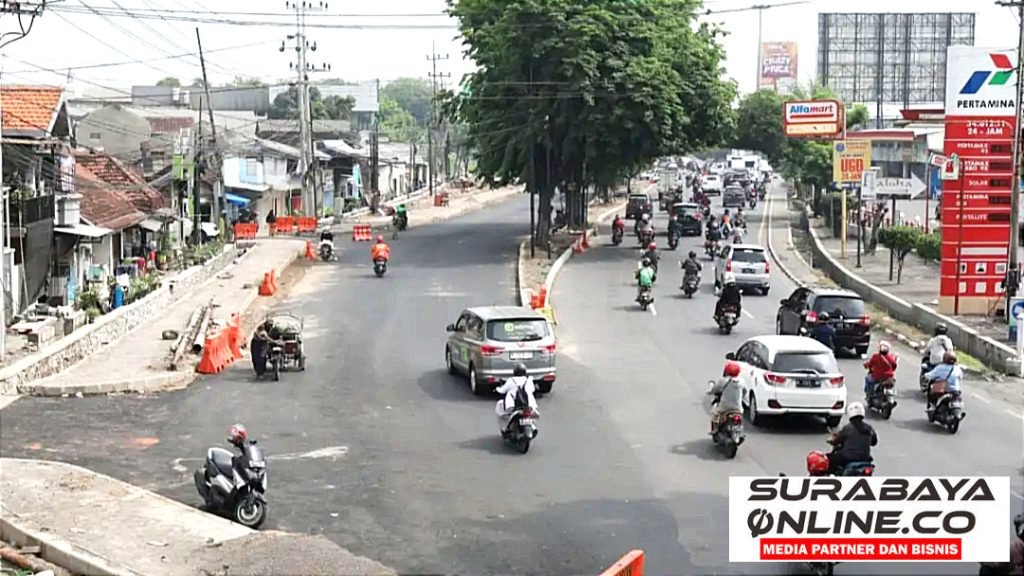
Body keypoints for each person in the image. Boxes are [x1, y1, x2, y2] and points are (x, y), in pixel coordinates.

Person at [827, 402, 877, 475]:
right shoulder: (869, 428)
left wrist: (832, 441)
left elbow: (836, 440)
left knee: (828, 459)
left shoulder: (848, 428)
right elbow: (874, 442)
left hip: (848, 458)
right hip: (865, 458)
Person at [494, 363, 538, 433]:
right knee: (532, 414)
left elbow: (502, 390)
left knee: (501, 409)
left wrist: (496, 389)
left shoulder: (511, 380)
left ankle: (505, 428)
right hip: (529, 404)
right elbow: (533, 390)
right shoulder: (528, 380)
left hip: (513, 406)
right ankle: (533, 426)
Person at [709, 360, 743, 433]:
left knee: (714, 411)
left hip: (725, 407)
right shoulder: (742, 381)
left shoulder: (723, 381)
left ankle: (715, 428)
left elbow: (715, 389)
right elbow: (745, 392)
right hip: (738, 408)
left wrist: (710, 392)